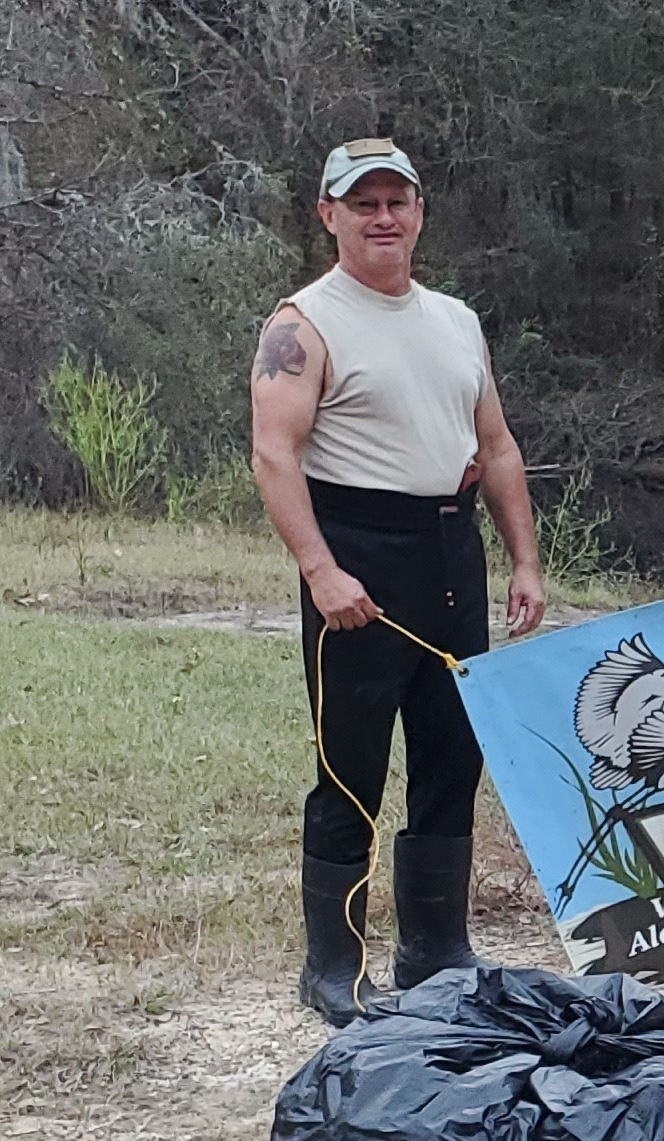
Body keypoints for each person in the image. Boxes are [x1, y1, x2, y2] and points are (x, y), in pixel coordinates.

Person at [248, 136, 547, 1025]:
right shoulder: (301, 325)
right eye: (364, 203)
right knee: (352, 765)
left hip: (450, 551)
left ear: (419, 211)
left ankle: (435, 951)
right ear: (328, 214)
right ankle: (332, 967)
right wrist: (319, 570)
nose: (383, 218)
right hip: (358, 553)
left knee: (454, 753)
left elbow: (495, 447)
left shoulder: (455, 319)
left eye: (397, 201)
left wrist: (523, 559)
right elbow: (274, 452)